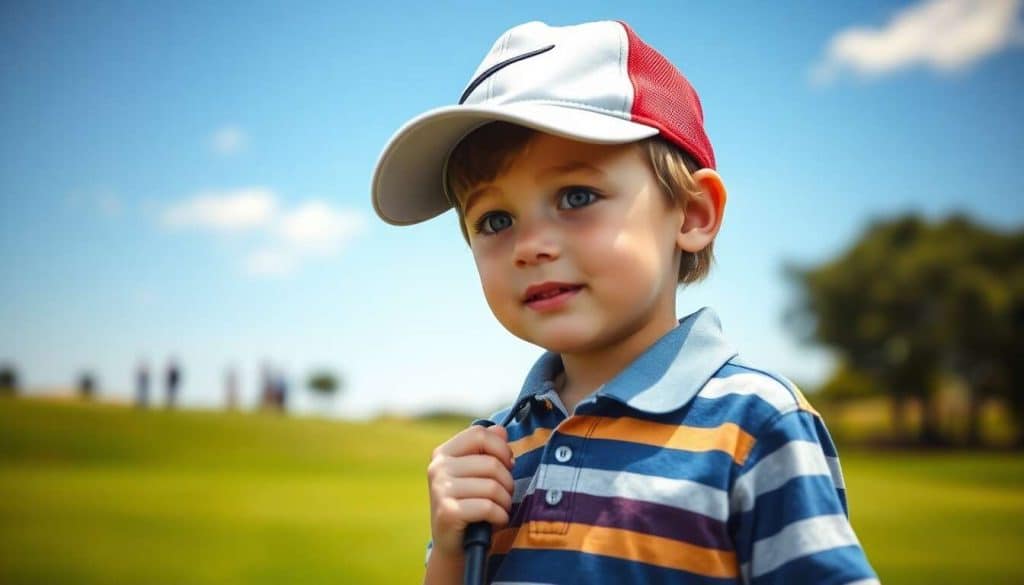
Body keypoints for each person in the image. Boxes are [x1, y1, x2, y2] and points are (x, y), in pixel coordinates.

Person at [371, 21, 878, 585]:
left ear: (691, 214)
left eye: (576, 197)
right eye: (495, 220)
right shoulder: (498, 447)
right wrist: (447, 553)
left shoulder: (754, 423)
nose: (531, 246)